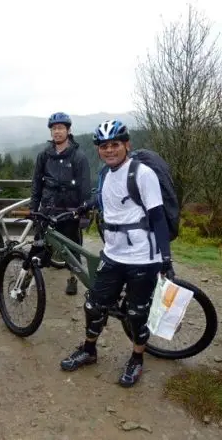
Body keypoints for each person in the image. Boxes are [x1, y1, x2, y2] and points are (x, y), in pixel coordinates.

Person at [58, 119, 174, 387]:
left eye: (115, 145)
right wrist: (79, 209)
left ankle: (137, 359)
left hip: (143, 258)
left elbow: (157, 218)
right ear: (99, 149)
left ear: (126, 145)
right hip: (113, 254)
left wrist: (165, 259)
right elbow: (101, 200)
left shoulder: (143, 174)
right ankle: (89, 350)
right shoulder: (105, 174)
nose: (109, 150)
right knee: (93, 304)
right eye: (104, 146)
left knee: (137, 313)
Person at [29, 112, 91, 295]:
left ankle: (73, 278)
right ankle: (30, 277)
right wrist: (34, 207)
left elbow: (85, 187)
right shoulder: (44, 155)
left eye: (61, 128)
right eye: (54, 128)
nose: (57, 132)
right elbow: (36, 183)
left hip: (70, 210)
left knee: (72, 249)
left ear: (68, 130)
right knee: (39, 245)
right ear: (51, 131)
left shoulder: (78, 156)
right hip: (47, 209)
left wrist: (84, 214)